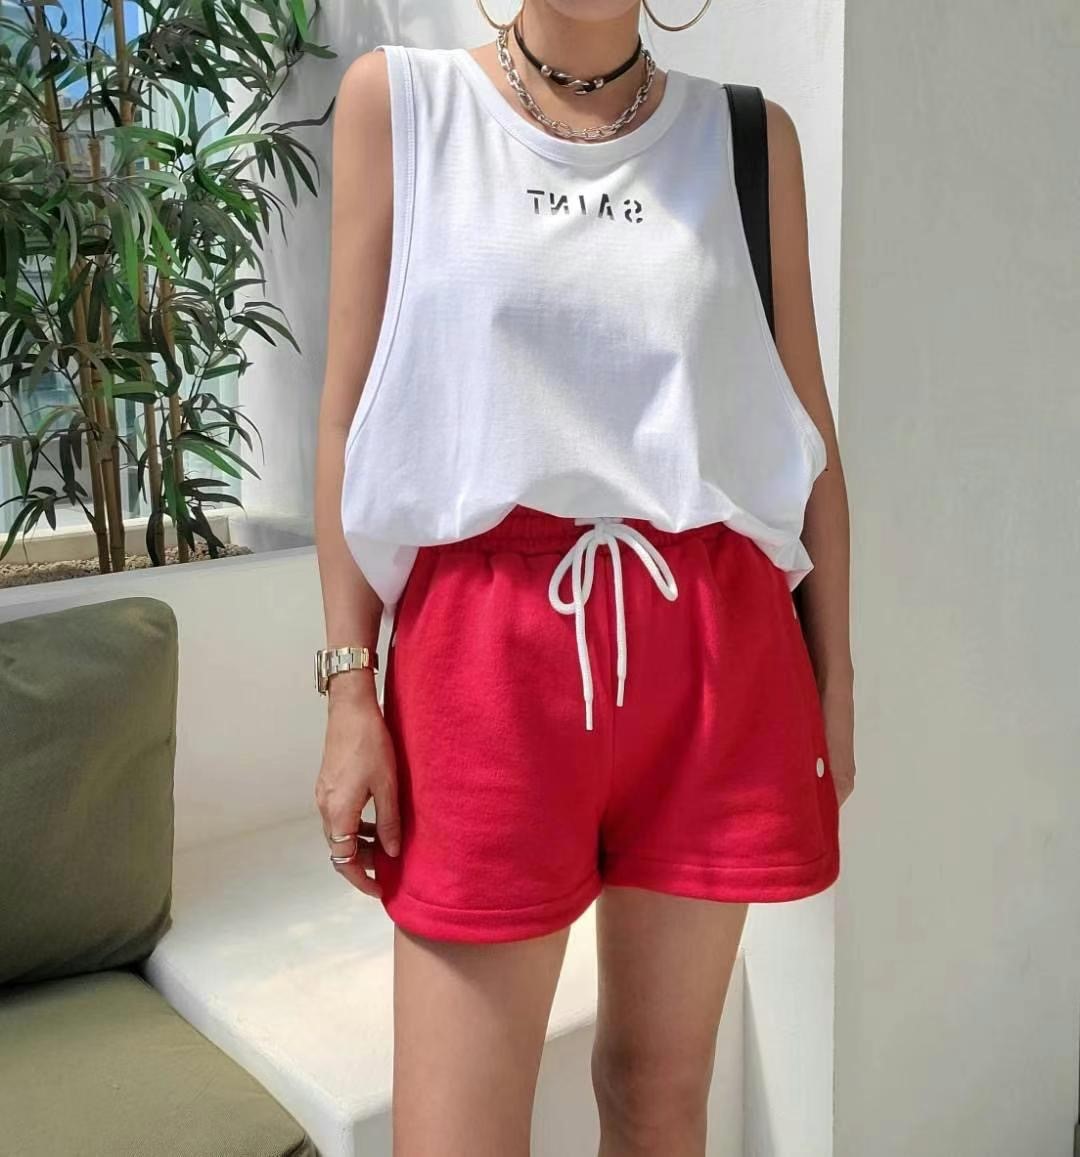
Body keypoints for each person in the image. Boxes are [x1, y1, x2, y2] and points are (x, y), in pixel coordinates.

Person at [313, 1, 856, 1153]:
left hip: (714, 649)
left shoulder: (749, 139)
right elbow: (346, 420)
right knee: (454, 1135)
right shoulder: (401, 105)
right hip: (485, 661)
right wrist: (349, 684)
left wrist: (833, 680)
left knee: (659, 1096)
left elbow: (805, 431)